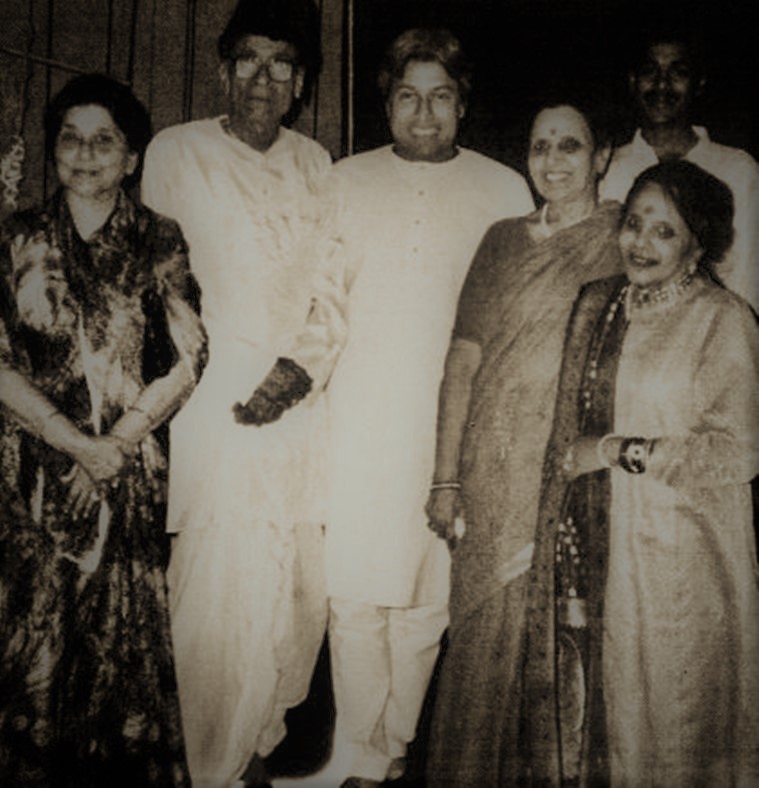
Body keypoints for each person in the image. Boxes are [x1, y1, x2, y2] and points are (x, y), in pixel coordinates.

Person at [240, 27, 533, 788]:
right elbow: (318, 303)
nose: (424, 113)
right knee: (354, 593)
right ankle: (357, 750)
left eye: (440, 97)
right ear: (387, 103)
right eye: (408, 96)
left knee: (428, 595)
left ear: (462, 105)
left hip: (454, 424)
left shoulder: (504, 188)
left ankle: (396, 746)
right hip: (359, 419)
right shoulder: (345, 180)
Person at [140, 1, 332, 785]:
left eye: (282, 63)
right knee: (214, 587)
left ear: (301, 82)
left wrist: (296, 370)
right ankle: (200, 765)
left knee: (294, 589)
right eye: (248, 58)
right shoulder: (176, 151)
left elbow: (333, 289)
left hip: (299, 400)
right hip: (211, 402)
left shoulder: (316, 164)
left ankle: (256, 752)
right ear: (223, 69)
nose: (263, 77)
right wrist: (206, 372)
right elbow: (158, 282)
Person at [0, 73, 207, 785]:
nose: (85, 154)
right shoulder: (17, 238)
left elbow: (189, 356)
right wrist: (74, 443)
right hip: (33, 485)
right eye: (70, 138)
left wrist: (116, 445)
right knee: (33, 664)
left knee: (122, 675)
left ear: (131, 157)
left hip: (124, 481)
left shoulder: (159, 239)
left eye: (103, 140)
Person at [524, 159, 759, 785]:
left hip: (684, 559)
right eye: (633, 224)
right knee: (616, 719)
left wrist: (614, 450)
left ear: (697, 246)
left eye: (664, 231)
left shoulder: (723, 319)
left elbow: (739, 452)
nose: (641, 243)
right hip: (605, 553)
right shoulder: (602, 307)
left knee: (677, 716)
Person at [423, 98, 622, 785]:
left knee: (568, 645)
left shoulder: (625, 235)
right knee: (480, 639)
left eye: (571, 145)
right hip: (494, 470)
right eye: (540, 146)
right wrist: (445, 477)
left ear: (601, 157)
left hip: (577, 475)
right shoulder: (501, 240)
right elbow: (462, 361)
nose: (552, 160)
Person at [599, 23, 759, 312]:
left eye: (678, 72)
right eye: (650, 71)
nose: (662, 84)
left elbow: (749, 278)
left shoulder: (738, 170)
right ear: (633, 81)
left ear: (699, 83)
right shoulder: (607, 170)